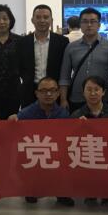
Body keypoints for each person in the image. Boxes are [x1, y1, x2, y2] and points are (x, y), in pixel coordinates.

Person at [12, 76, 72, 206]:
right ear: (37, 93)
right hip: (35, 157)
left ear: (58, 93)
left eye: (52, 90)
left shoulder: (64, 115)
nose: (48, 94)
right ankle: (31, 188)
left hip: (56, 157)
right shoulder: (25, 115)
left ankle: (61, 192)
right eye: (44, 91)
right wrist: (9, 123)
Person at [70, 76, 108, 207]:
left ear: (103, 92)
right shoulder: (76, 115)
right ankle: (90, 193)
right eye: (89, 89)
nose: (93, 93)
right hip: (87, 152)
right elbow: (71, 141)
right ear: (83, 92)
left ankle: (106, 195)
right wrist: (78, 127)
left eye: (96, 89)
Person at [59, 7, 108, 112]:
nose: (89, 25)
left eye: (93, 21)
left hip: (103, 99)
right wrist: (63, 100)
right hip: (77, 98)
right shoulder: (71, 47)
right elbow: (64, 77)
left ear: (99, 25)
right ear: (80, 25)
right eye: (85, 22)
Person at [18, 4, 69, 108]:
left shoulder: (62, 42)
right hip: (30, 92)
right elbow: (19, 67)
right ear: (32, 20)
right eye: (38, 17)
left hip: (54, 92)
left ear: (51, 20)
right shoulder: (22, 42)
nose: (42, 20)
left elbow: (65, 69)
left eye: (46, 17)